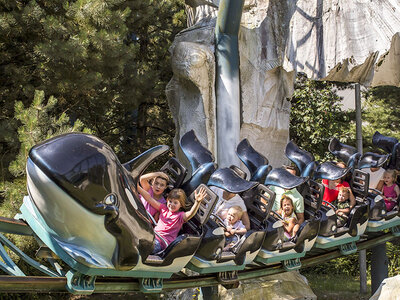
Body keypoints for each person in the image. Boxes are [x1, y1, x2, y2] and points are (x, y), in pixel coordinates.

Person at [138, 185, 207, 254]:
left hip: (161, 243)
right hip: (152, 236)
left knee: (144, 249)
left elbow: (191, 213)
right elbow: (149, 199)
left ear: (181, 205)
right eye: (170, 201)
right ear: (167, 200)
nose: (172, 204)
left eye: (175, 203)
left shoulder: (180, 216)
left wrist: (197, 202)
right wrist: (137, 186)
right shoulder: (163, 208)